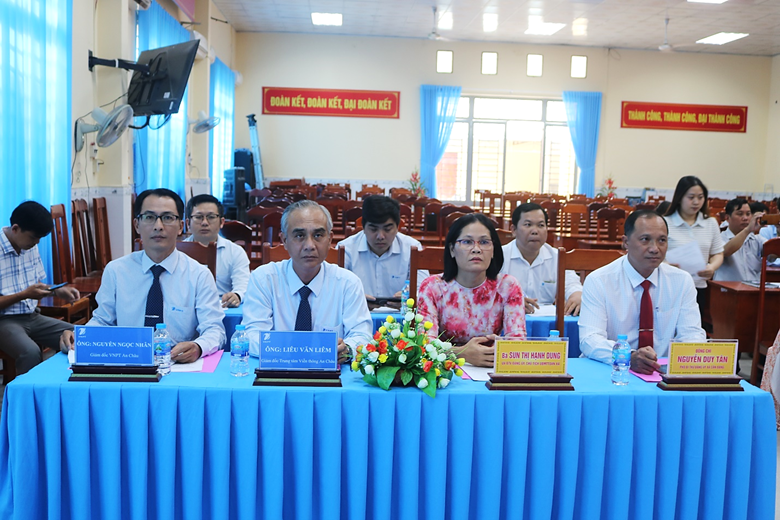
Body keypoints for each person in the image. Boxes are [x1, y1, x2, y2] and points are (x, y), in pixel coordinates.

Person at [60, 189, 225, 362]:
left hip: (178, 365)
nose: (158, 226)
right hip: (126, 362)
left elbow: (214, 329)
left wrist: (198, 347)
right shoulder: (116, 271)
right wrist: (81, 337)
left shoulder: (199, 275)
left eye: (168, 218)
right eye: (149, 217)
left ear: (181, 226)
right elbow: (103, 321)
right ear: (136, 225)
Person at [242, 200, 372, 361]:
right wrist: (300, 350)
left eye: (318, 235)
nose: (310, 245)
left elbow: (362, 335)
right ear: (284, 240)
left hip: (331, 371)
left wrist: (347, 350)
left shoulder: (348, 283)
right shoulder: (264, 280)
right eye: (299, 236)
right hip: (277, 368)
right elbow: (251, 335)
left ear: (330, 239)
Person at [579, 210, 705, 374]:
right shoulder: (599, 281)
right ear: (625, 242)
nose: (655, 248)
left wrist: (689, 358)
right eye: (645, 239)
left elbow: (692, 334)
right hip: (612, 370)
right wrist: (627, 356)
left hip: (662, 374)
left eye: (662, 240)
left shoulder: (682, 281)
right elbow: (589, 339)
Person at [417, 213, 526, 368]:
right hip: (444, 368)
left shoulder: (508, 286)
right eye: (467, 242)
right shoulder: (432, 287)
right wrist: (461, 353)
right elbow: (424, 344)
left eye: (484, 242)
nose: (476, 249)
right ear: (452, 249)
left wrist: (501, 350)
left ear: (493, 250)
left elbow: (517, 341)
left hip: (490, 366)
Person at [0, 201, 81, 374]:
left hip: (33, 317)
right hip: (4, 321)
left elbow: (37, 285)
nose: (36, 242)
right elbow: (27, 292)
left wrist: (56, 290)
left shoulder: (30, 246)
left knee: (80, 337)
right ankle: (27, 392)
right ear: (15, 228)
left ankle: (66, 385)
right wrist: (23, 295)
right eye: (33, 237)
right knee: (30, 352)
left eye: (40, 238)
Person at [338, 195, 428, 299]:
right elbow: (335, 289)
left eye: (387, 229)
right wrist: (355, 298)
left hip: (401, 309)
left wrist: (408, 296)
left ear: (397, 227)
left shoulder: (413, 248)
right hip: (357, 309)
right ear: (363, 227)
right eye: (373, 229)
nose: (380, 236)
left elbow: (424, 290)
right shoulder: (345, 249)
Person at [499, 203, 582, 315]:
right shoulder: (499, 257)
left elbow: (572, 284)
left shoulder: (557, 257)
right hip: (508, 317)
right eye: (528, 225)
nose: (535, 231)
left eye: (541, 225)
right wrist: (510, 301)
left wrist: (577, 295)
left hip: (546, 321)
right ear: (514, 230)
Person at [663, 176, 724, 314]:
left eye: (700, 197)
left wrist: (712, 267)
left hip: (698, 286)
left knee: (694, 324)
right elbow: (655, 253)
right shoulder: (665, 222)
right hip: (669, 286)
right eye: (691, 197)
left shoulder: (711, 223)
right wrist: (665, 265)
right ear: (679, 198)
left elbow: (717, 253)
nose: (696, 202)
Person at [184, 194, 250, 308]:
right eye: (198, 217)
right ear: (187, 223)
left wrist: (236, 295)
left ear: (222, 222)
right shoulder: (178, 251)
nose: (204, 222)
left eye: (211, 217)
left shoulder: (235, 252)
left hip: (222, 307)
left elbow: (243, 285)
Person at [713, 198, 766, 282]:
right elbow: (725, 252)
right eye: (740, 214)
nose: (745, 218)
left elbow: (773, 252)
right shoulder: (719, 238)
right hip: (727, 289)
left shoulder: (756, 239)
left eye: (748, 214)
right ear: (727, 218)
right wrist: (748, 230)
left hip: (753, 288)